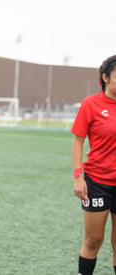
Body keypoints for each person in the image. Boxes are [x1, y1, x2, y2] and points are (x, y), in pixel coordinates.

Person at [72, 54, 116, 275]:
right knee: (93, 240)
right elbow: (78, 140)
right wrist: (78, 176)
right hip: (97, 181)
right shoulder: (91, 104)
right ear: (105, 77)